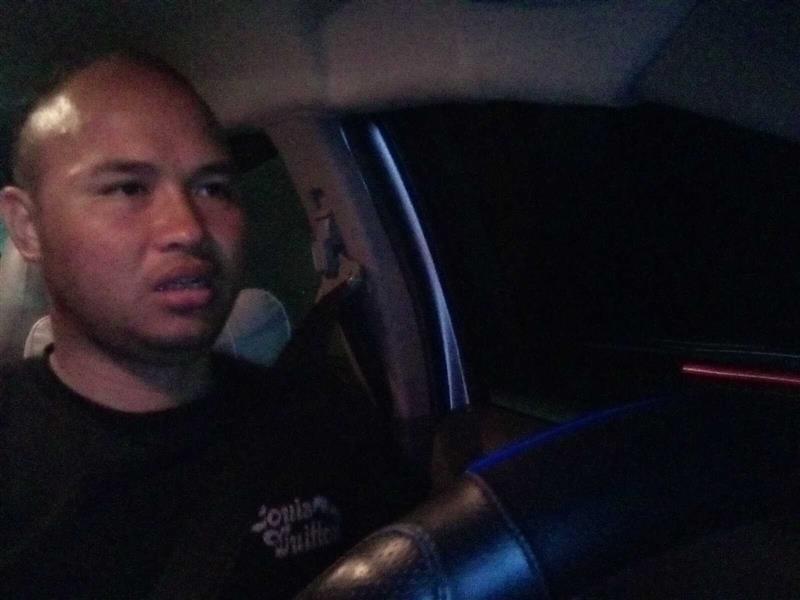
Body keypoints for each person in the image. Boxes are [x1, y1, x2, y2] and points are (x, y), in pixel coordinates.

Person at [0, 53, 418, 599]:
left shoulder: (324, 423)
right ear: (27, 227)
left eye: (214, 188)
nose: (188, 228)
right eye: (127, 188)